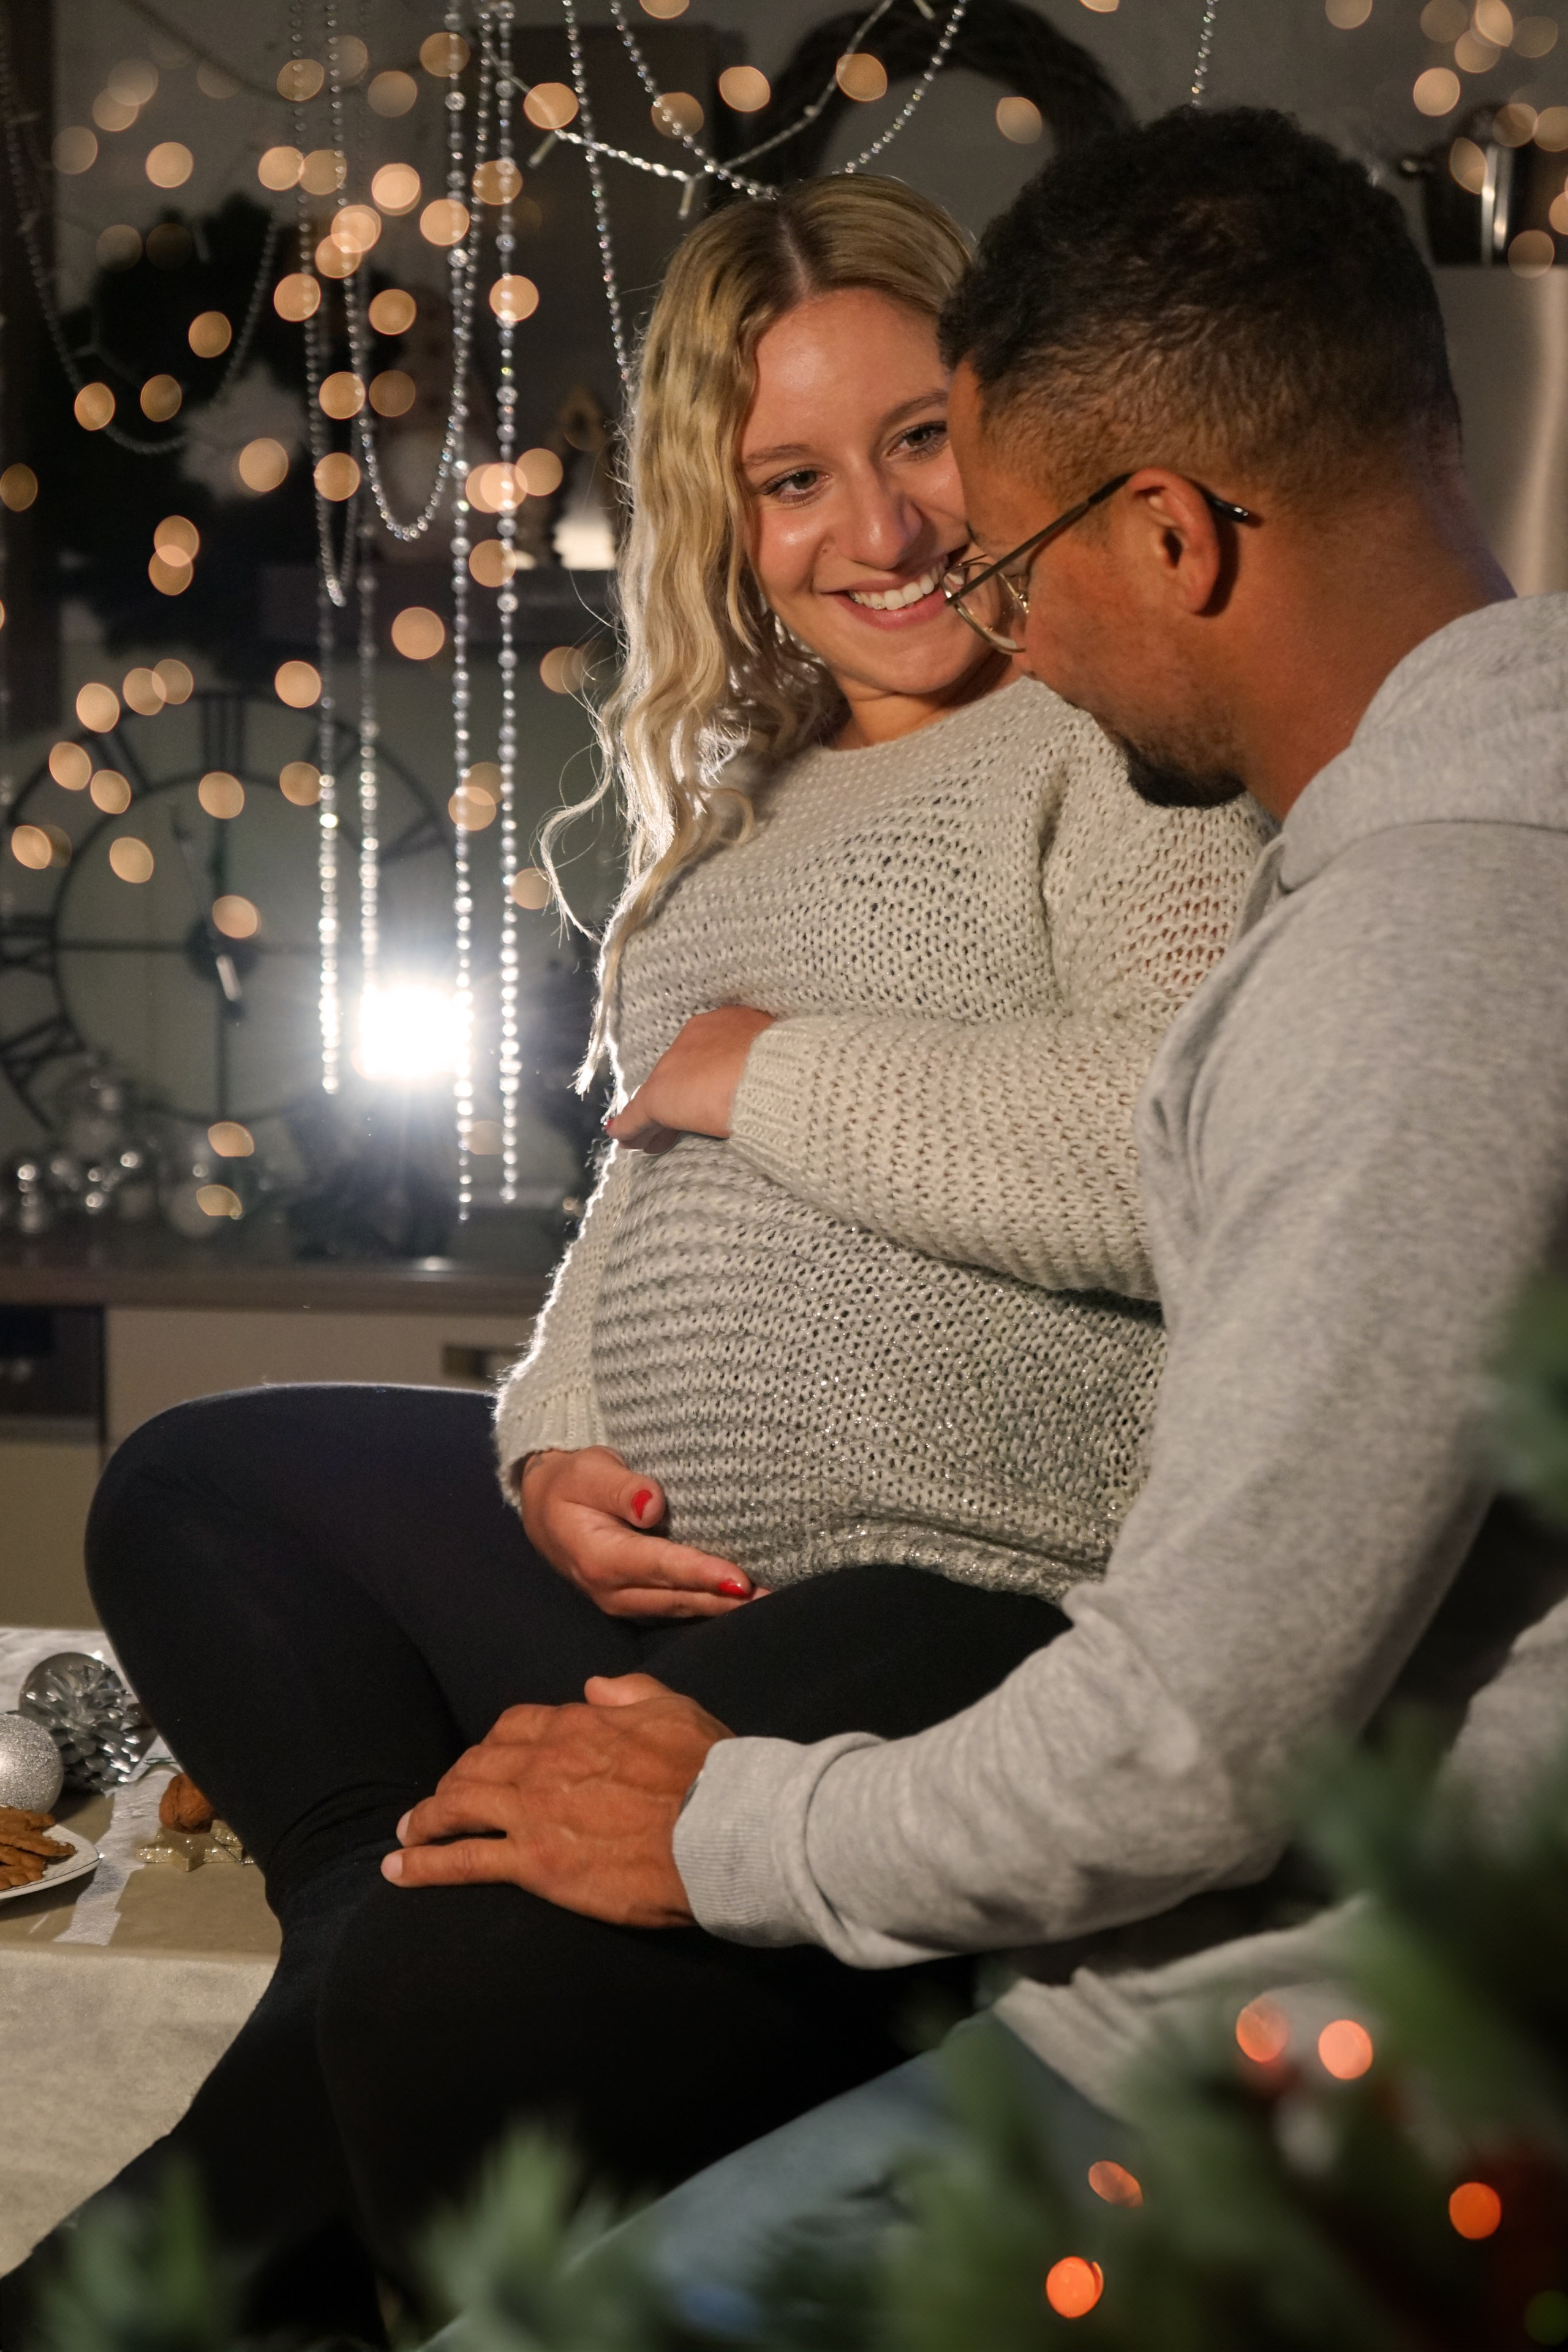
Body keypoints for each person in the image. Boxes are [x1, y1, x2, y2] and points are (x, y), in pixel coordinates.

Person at [0, 178, 1264, 2343]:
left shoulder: (1115, 744)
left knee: (433, 1997)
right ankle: (378, 1937)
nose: (878, 527)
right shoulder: (728, 807)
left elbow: (1174, 1147)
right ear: (725, 519)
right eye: (795, 478)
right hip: (690, 1577)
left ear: (1015, 422)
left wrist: (767, 1066)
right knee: (202, 1489)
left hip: (970, 1587)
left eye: (921, 439)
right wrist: (550, 1445)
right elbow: (637, 1204)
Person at [380, 105, 1568, 2286]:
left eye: (1010, 554)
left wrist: (732, 1829)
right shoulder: (1400, 897)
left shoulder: (1418, 962)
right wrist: (558, 1432)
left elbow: (1186, 1744)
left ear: (1172, 535)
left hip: (1264, 2086)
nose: (986, 609)